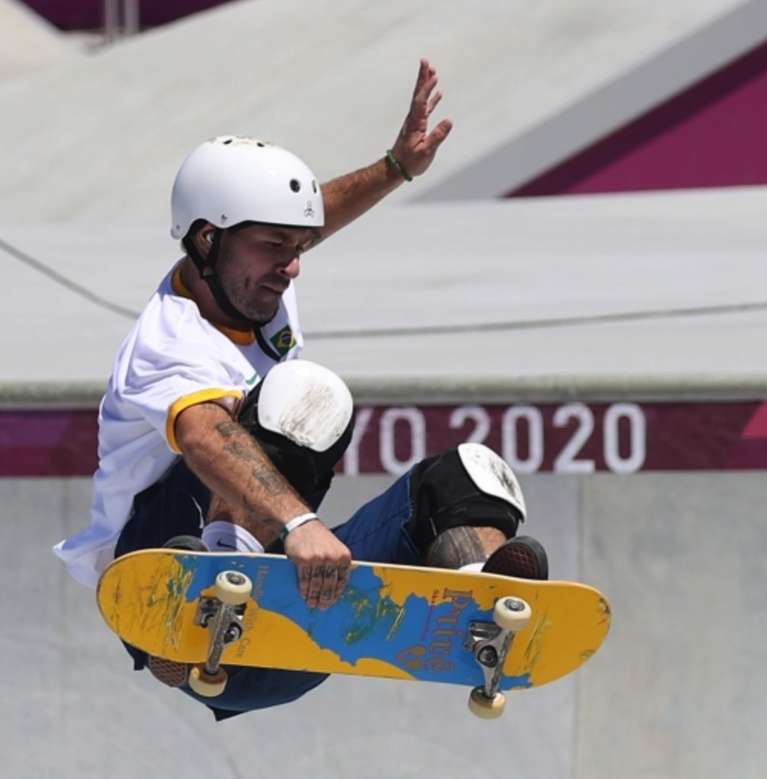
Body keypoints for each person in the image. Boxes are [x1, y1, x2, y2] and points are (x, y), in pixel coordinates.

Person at [53, 60, 548, 720]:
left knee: (468, 477)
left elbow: (309, 218)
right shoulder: (168, 340)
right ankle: (210, 594)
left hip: (284, 640)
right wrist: (302, 523)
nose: (290, 267)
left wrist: (396, 167)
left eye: (299, 246)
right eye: (274, 248)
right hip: (161, 574)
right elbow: (203, 436)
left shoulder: (247, 274)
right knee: (302, 395)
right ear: (207, 239)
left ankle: (482, 611)